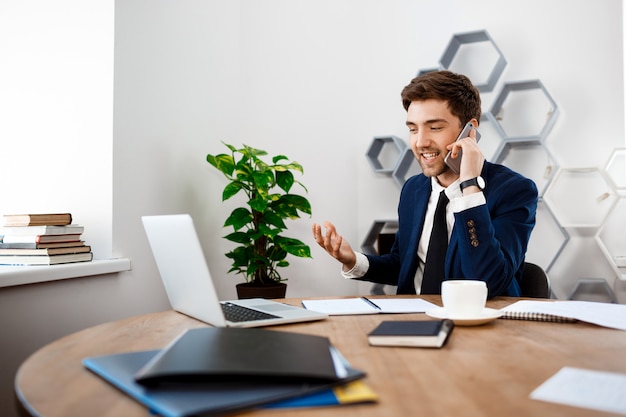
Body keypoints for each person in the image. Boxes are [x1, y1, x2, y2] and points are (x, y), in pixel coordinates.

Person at [312, 70, 538, 298]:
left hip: (479, 324)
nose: (420, 142)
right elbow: (404, 264)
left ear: (469, 130)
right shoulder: (414, 189)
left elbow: (490, 281)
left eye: (435, 128)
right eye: (412, 129)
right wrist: (353, 260)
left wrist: (469, 186)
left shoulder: (514, 191)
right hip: (414, 321)